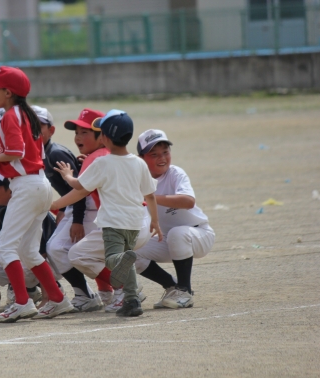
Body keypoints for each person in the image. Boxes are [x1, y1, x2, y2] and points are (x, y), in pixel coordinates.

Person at [0, 66, 73, 323]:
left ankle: (22, 302)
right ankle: (57, 298)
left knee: (5, 248)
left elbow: (17, 152)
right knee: (29, 251)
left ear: (7, 92)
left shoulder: (11, 115)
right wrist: (1, 154)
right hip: (39, 184)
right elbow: (29, 152)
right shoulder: (27, 114)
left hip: (27, 186)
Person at [51, 109, 162, 317]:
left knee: (96, 257)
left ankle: (123, 283)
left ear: (104, 137)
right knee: (125, 261)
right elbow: (150, 195)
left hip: (115, 226)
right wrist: (155, 221)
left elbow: (79, 187)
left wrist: (67, 176)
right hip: (140, 225)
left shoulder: (101, 162)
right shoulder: (138, 162)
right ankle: (131, 301)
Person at [33, 105, 103, 313]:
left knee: (67, 250)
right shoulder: (42, 152)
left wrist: (77, 220)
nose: (33, 132)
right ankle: (86, 293)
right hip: (73, 207)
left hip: (84, 208)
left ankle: (113, 290)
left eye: (38, 127)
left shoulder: (55, 154)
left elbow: (79, 190)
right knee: (58, 248)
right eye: (28, 128)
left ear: (50, 130)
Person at [135, 129, 215, 309]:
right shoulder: (138, 179)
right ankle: (172, 287)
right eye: (153, 154)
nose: (161, 158)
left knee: (178, 234)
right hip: (168, 238)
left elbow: (188, 201)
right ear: (141, 159)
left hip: (199, 235)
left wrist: (150, 198)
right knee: (131, 250)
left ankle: (185, 291)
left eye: (165, 152)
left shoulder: (175, 173)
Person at [0, 171, 59, 313]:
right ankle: (28, 292)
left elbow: (43, 252)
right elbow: (1, 249)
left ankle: (49, 293)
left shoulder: (29, 207)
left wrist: (47, 298)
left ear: (11, 191)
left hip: (52, 264)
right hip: (28, 264)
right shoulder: (3, 210)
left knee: (28, 252)